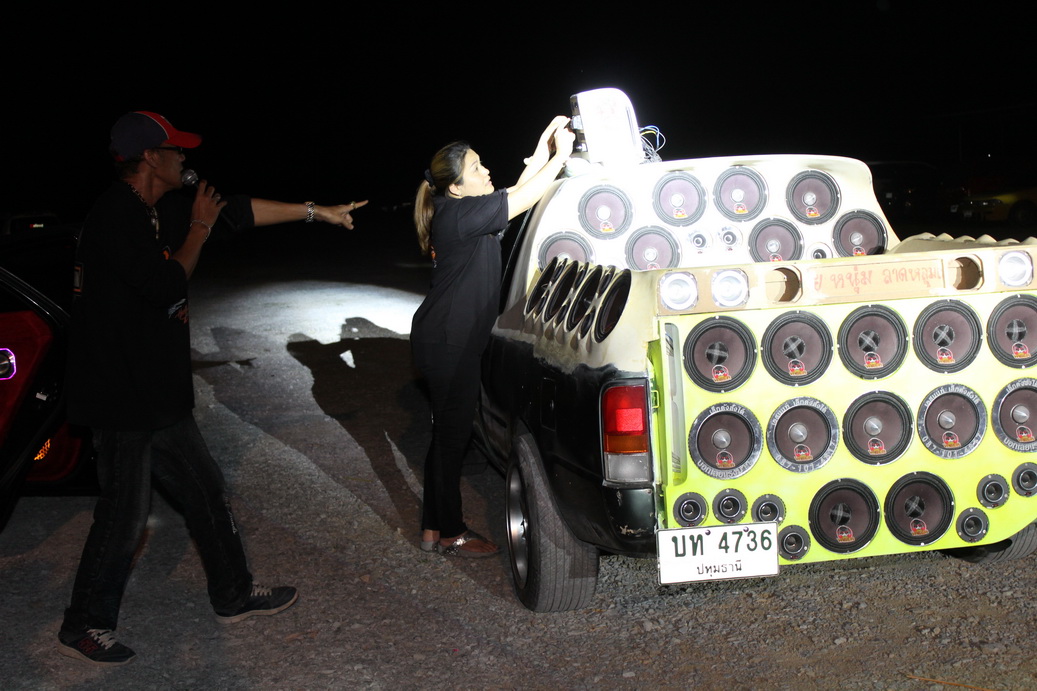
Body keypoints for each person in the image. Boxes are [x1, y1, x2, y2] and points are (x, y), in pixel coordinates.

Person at [57, 111, 368, 666]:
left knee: (206, 491)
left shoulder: (160, 207)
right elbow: (164, 284)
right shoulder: (116, 215)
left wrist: (317, 212)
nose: (186, 158)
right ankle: (84, 623)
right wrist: (198, 229)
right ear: (150, 157)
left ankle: (233, 593)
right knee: (124, 515)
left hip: (158, 393)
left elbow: (239, 211)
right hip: (122, 396)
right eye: (176, 150)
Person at [410, 116, 574, 557]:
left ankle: (432, 528)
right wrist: (560, 157)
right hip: (450, 341)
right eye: (476, 167)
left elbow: (517, 191)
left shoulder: (465, 212)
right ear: (456, 187)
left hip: (446, 338)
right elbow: (522, 197)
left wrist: (543, 148)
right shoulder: (460, 215)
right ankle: (452, 532)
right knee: (452, 438)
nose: (486, 171)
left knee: (446, 434)